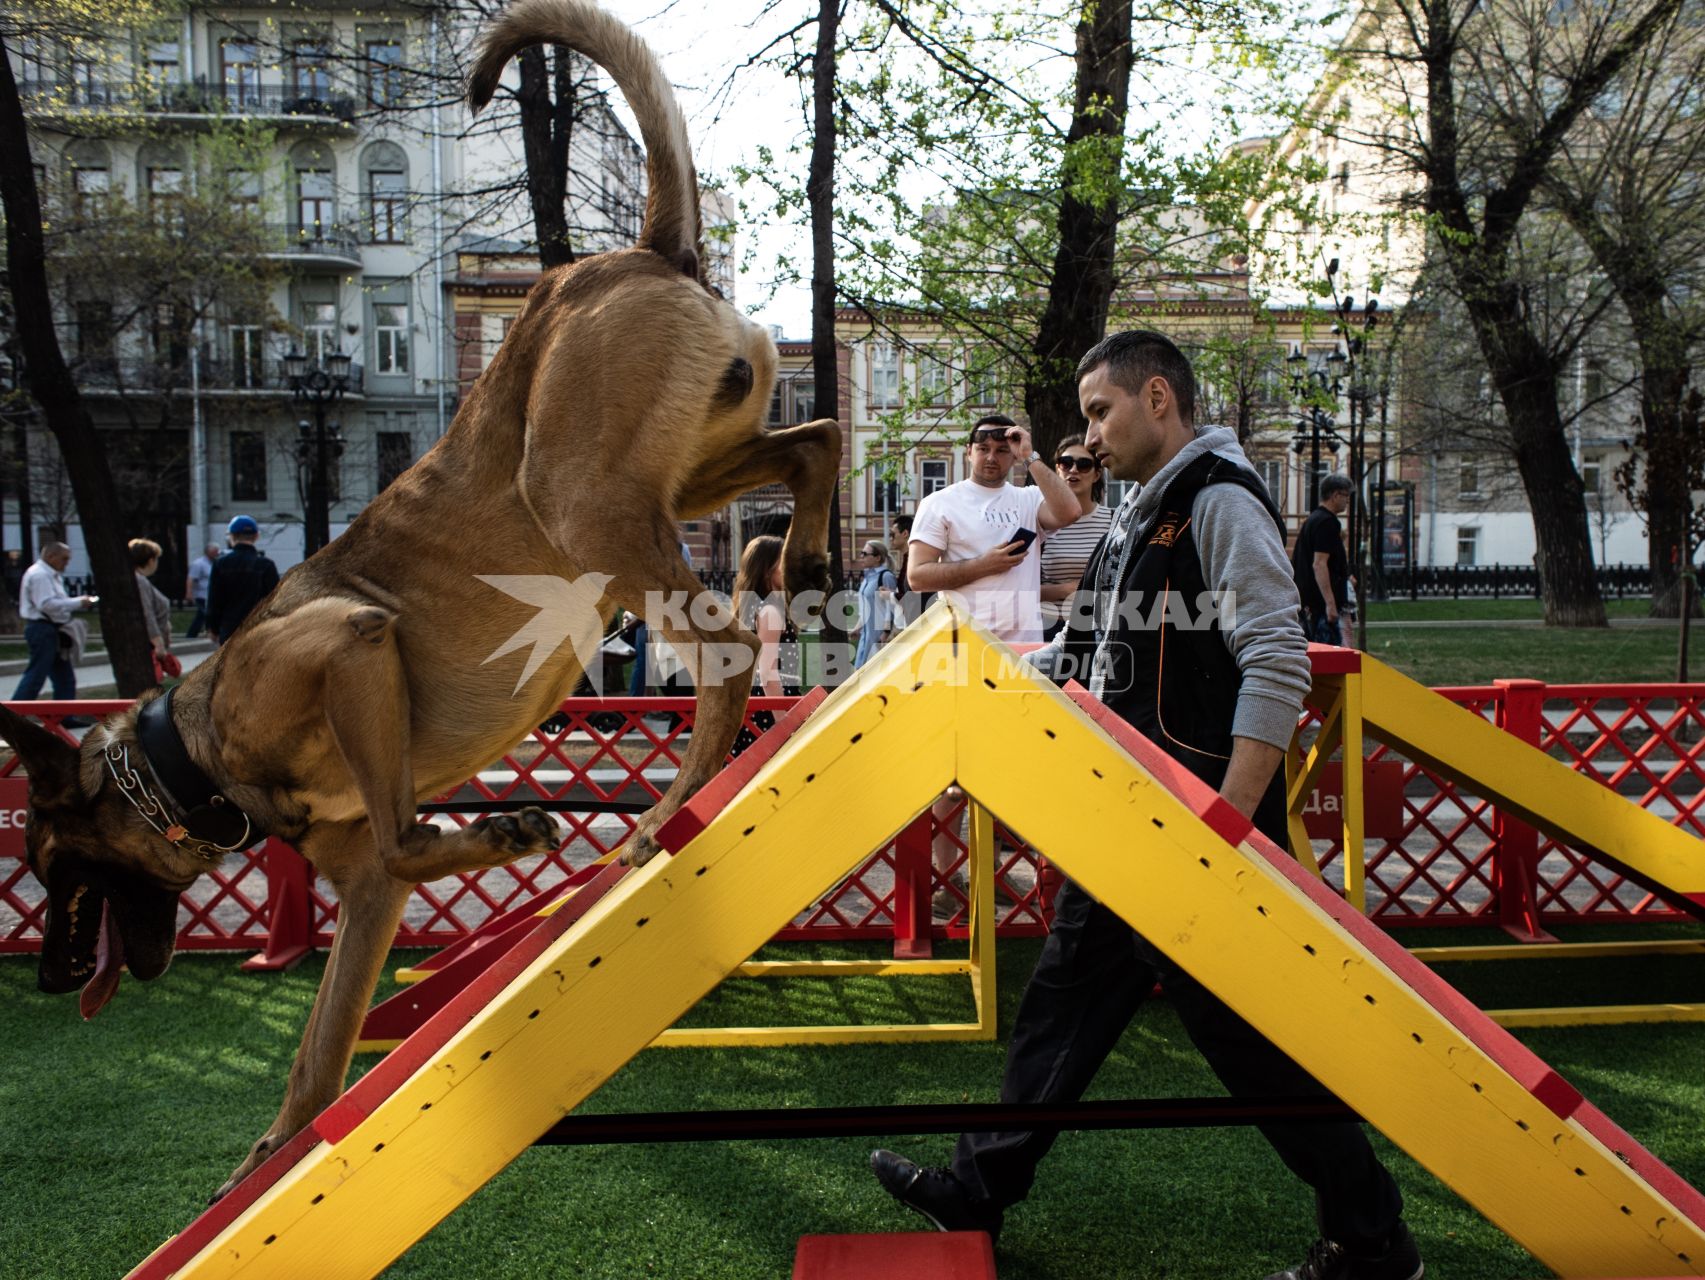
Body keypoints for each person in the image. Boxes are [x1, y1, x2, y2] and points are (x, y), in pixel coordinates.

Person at [869, 331, 1422, 1280]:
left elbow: (1277, 658)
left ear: (1156, 398)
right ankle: (976, 1189)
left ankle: (1371, 1239)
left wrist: (1228, 824)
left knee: (1252, 1047)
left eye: (1098, 412)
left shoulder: (1215, 501)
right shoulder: (1135, 516)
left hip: (1199, 829)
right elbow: (1085, 663)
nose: (1089, 434)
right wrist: (975, 693)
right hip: (1132, 825)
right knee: (1062, 1005)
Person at [910, 413, 1081, 918]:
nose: (992, 455)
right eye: (983, 447)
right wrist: (982, 566)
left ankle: (999, 876)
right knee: (953, 777)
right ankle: (948, 882)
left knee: (1014, 773)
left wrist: (1032, 456)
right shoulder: (941, 502)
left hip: (1023, 658)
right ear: (968, 452)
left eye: (1002, 449)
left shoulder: (1028, 499)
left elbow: (1069, 510)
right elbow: (918, 575)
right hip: (961, 655)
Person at [1037, 433, 1115, 641]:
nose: (1073, 470)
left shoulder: (1114, 521)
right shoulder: (1039, 522)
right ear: (1056, 469)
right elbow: (1022, 588)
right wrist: (1067, 589)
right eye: (1065, 463)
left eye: (1083, 464)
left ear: (1097, 474)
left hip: (1097, 630)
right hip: (1047, 628)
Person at [730, 534, 799, 756]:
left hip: (753, 706)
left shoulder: (751, 607)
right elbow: (768, 672)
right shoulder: (769, 611)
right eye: (783, 562)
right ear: (767, 568)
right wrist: (783, 721)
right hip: (769, 709)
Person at [11, 541, 96, 703]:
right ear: (50, 556)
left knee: (64, 678)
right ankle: (14, 713)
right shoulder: (40, 575)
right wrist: (79, 602)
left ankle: (64, 715)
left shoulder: (50, 575)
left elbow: (54, 602)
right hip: (42, 628)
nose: (67, 563)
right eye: (64, 558)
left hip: (52, 628)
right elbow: (46, 604)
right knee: (37, 674)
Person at [1293, 473, 1352, 646]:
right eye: (1345, 496)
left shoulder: (1313, 519)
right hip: (1320, 606)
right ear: (1335, 495)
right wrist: (1330, 604)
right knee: (1329, 657)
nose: (1347, 501)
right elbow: (1319, 564)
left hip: (1310, 602)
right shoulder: (1327, 522)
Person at [206, 515, 279, 644]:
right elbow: (275, 601)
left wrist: (213, 628)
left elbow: (215, 600)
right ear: (256, 536)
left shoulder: (220, 564)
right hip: (260, 630)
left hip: (229, 630)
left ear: (232, 537)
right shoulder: (266, 565)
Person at [130, 538, 179, 680]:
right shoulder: (140, 581)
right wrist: (158, 643)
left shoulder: (139, 580)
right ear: (150, 560)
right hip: (148, 645)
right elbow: (147, 614)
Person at [853, 538, 900, 667]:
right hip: (865, 636)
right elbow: (865, 608)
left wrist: (885, 633)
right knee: (860, 672)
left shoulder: (885, 576)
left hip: (879, 638)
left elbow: (891, 608)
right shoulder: (867, 577)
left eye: (865, 554)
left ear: (877, 557)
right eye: (861, 553)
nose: (861, 556)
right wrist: (857, 628)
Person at [185, 543, 220, 638]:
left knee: (207, 615)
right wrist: (189, 593)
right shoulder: (198, 563)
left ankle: (209, 632)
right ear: (209, 552)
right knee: (202, 615)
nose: (217, 553)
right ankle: (191, 635)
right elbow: (191, 579)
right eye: (215, 551)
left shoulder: (214, 563)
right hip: (201, 595)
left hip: (209, 595)